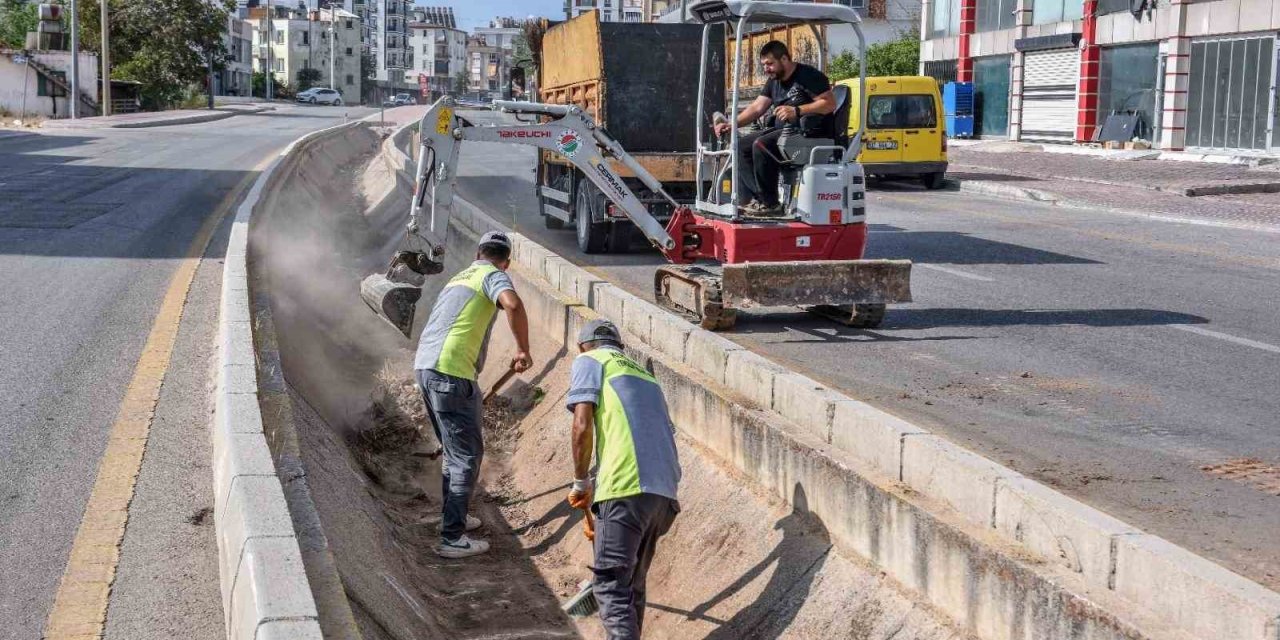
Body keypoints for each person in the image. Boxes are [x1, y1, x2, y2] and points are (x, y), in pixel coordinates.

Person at [415, 230, 532, 559]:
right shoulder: (492, 275)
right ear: (506, 263)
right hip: (451, 372)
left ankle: (455, 518)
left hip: (425, 367)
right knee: (466, 457)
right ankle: (452, 538)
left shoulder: (459, 277)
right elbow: (513, 304)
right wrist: (523, 349)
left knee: (454, 454)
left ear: (478, 252)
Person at [566, 319, 681, 639]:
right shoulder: (645, 376)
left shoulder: (589, 360)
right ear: (620, 347)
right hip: (664, 492)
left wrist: (580, 481)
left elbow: (582, 424)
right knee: (632, 586)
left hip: (625, 486)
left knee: (612, 588)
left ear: (582, 346)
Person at [713, 40, 838, 217]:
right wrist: (731, 124)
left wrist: (797, 110)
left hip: (808, 135)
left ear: (785, 59)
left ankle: (770, 204)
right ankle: (761, 200)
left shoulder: (809, 76)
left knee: (761, 145)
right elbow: (756, 108)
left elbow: (829, 104)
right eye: (764, 65)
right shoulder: (774, 81)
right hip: (784, 134)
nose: (766, 69)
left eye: (770, 64)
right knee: (740, 146)